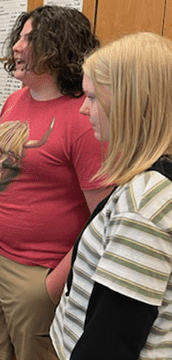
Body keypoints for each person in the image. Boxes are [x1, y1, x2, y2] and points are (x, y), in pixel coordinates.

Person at [0, 5, 112, 360]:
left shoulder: (83, 118)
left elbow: (103, 217)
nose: (15, 46)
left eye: (27, 39)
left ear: (56, 47)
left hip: (39, 270)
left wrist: (51, 286)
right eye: (18, 37)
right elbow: (10, 163)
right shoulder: (16, 100)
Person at [51, 32, 172, 360]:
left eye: (91, 97)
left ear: (128, 103)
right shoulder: (151, 182)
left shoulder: (143, 205)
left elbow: (111, 344)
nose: (82, 110)